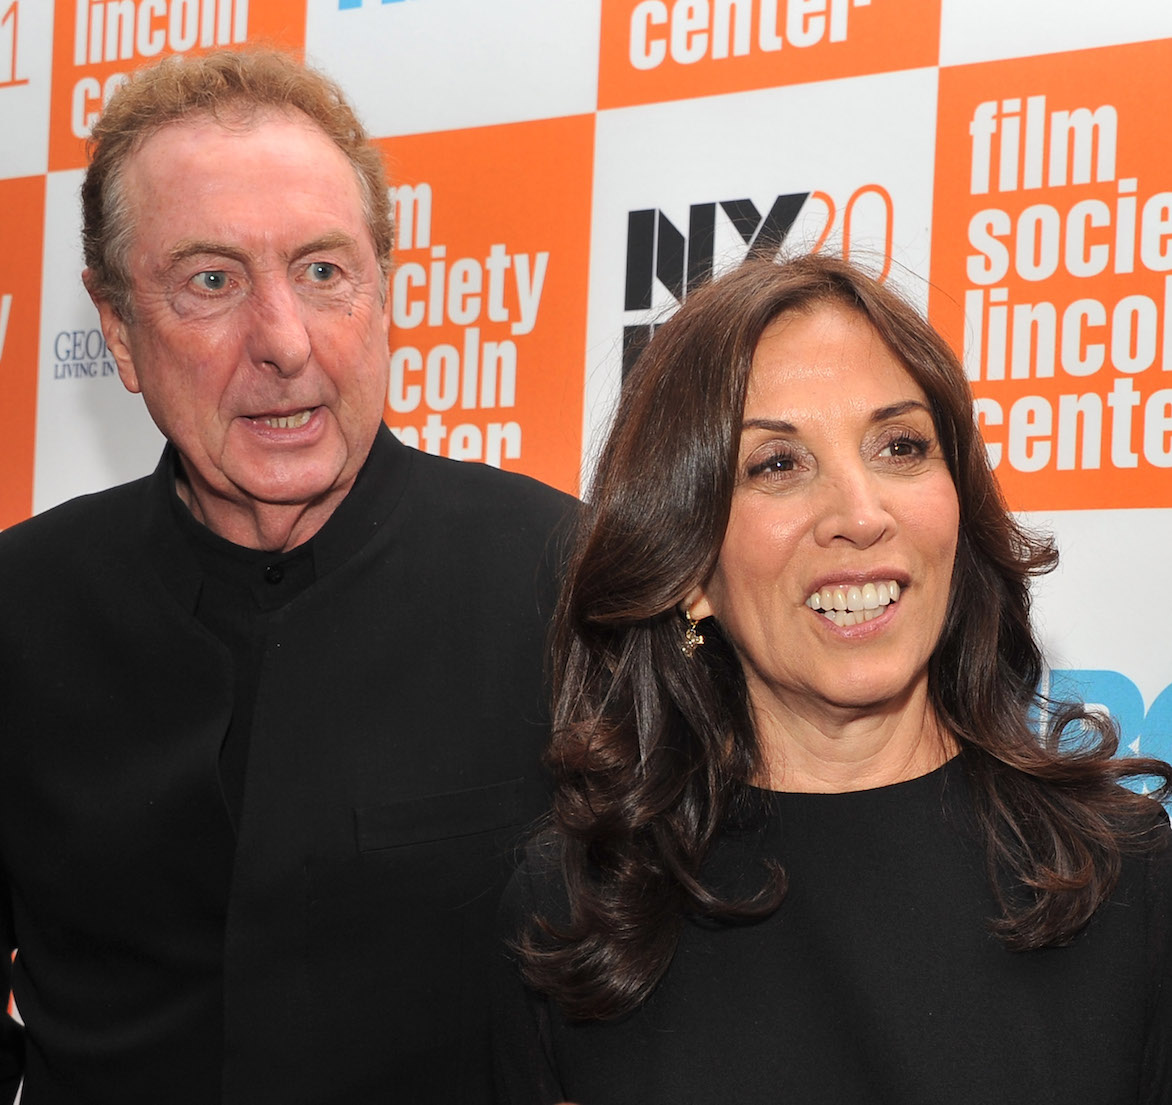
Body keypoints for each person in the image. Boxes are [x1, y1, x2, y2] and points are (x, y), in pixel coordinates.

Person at [0, 49, 574, 1104]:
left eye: (323, 271)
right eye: (210, 281)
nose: (282, 342)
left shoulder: (564, 579)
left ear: (383, 293)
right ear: (117, 328)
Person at [493, 253, 1172, 1105]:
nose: (860, 513)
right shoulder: (581, 909)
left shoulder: (1124, 879)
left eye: (901, 446)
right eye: (778, 464)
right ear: (688, 567)